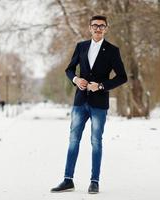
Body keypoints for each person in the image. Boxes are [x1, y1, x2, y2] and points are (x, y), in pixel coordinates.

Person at [51, 15, 128, 194]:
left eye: (102, 26)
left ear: (106, 28)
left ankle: (94, 181)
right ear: (90, 27)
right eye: (95, 25)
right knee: (73, 140)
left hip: (99, 103)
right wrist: (76, 79)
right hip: (80, 101)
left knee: (96, 142)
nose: (98, 28)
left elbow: (122, 76)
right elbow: (69, 69)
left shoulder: (112, 50)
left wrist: (101, 85)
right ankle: (67, 180)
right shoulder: (81, 46)